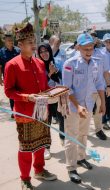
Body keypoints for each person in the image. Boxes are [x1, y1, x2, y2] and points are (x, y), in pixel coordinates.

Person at [4, 23, 57, 190]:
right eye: (29, 42)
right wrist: (27, 97)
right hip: (25, 114)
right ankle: (25, 179)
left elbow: (43, 87)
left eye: (34, 41)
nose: (34, 45)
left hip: (42, 111)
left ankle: (39, 170)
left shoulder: (39, 63)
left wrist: (55, 92)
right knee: (26, 148)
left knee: (41, 144)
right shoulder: (12, 65)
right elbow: (9, 91)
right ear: (20, 45)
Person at [63, 33, 105, 184]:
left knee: (83, 134)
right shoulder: (70, 63)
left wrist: (103, 103)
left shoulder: (96, 63)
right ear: (78, 47)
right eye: (85, 48)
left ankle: (81, 158)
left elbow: (100, 83)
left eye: (91, 48)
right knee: (72, 137)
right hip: (74, 108)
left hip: (88, 105)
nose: (89, 51)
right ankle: (71, 167)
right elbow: (67, 88)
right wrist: (78, 105)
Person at [37, 43, 63, 159]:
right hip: (43, 99)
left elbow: (63, 78)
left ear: (50, 51)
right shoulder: (37, 65)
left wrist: (57, 72)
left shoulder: (57, 61)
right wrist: (50, 73)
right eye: (41, 52)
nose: (44, 53)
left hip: (57, 96)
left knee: (62, 119)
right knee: (46, 124)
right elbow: (39, 83)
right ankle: (46, 148)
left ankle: (64, 138)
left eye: (46, 51)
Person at [90, 31, 110, 140]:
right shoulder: (79, 54)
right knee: (84, 111)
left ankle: (98, 130)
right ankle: (82, 132)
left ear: (96, 40)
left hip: (98, 88)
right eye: (90, 37)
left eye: (94, 38)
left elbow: (106, 72)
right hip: (84, 89)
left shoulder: (102, 55)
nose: (92, 40)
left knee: (98, 109)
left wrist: (109, 86)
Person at [0, 32, 20, 117]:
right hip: (8, 77)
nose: (11, 42)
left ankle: (19, 110)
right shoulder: (1, 52)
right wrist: (0, 78)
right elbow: (0, 66)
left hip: (19, 76)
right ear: (5, 41)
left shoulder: (18, 50)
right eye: (9, 41)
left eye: (12, 40)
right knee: (11, 94)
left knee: (19, 92)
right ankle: (13, 111)